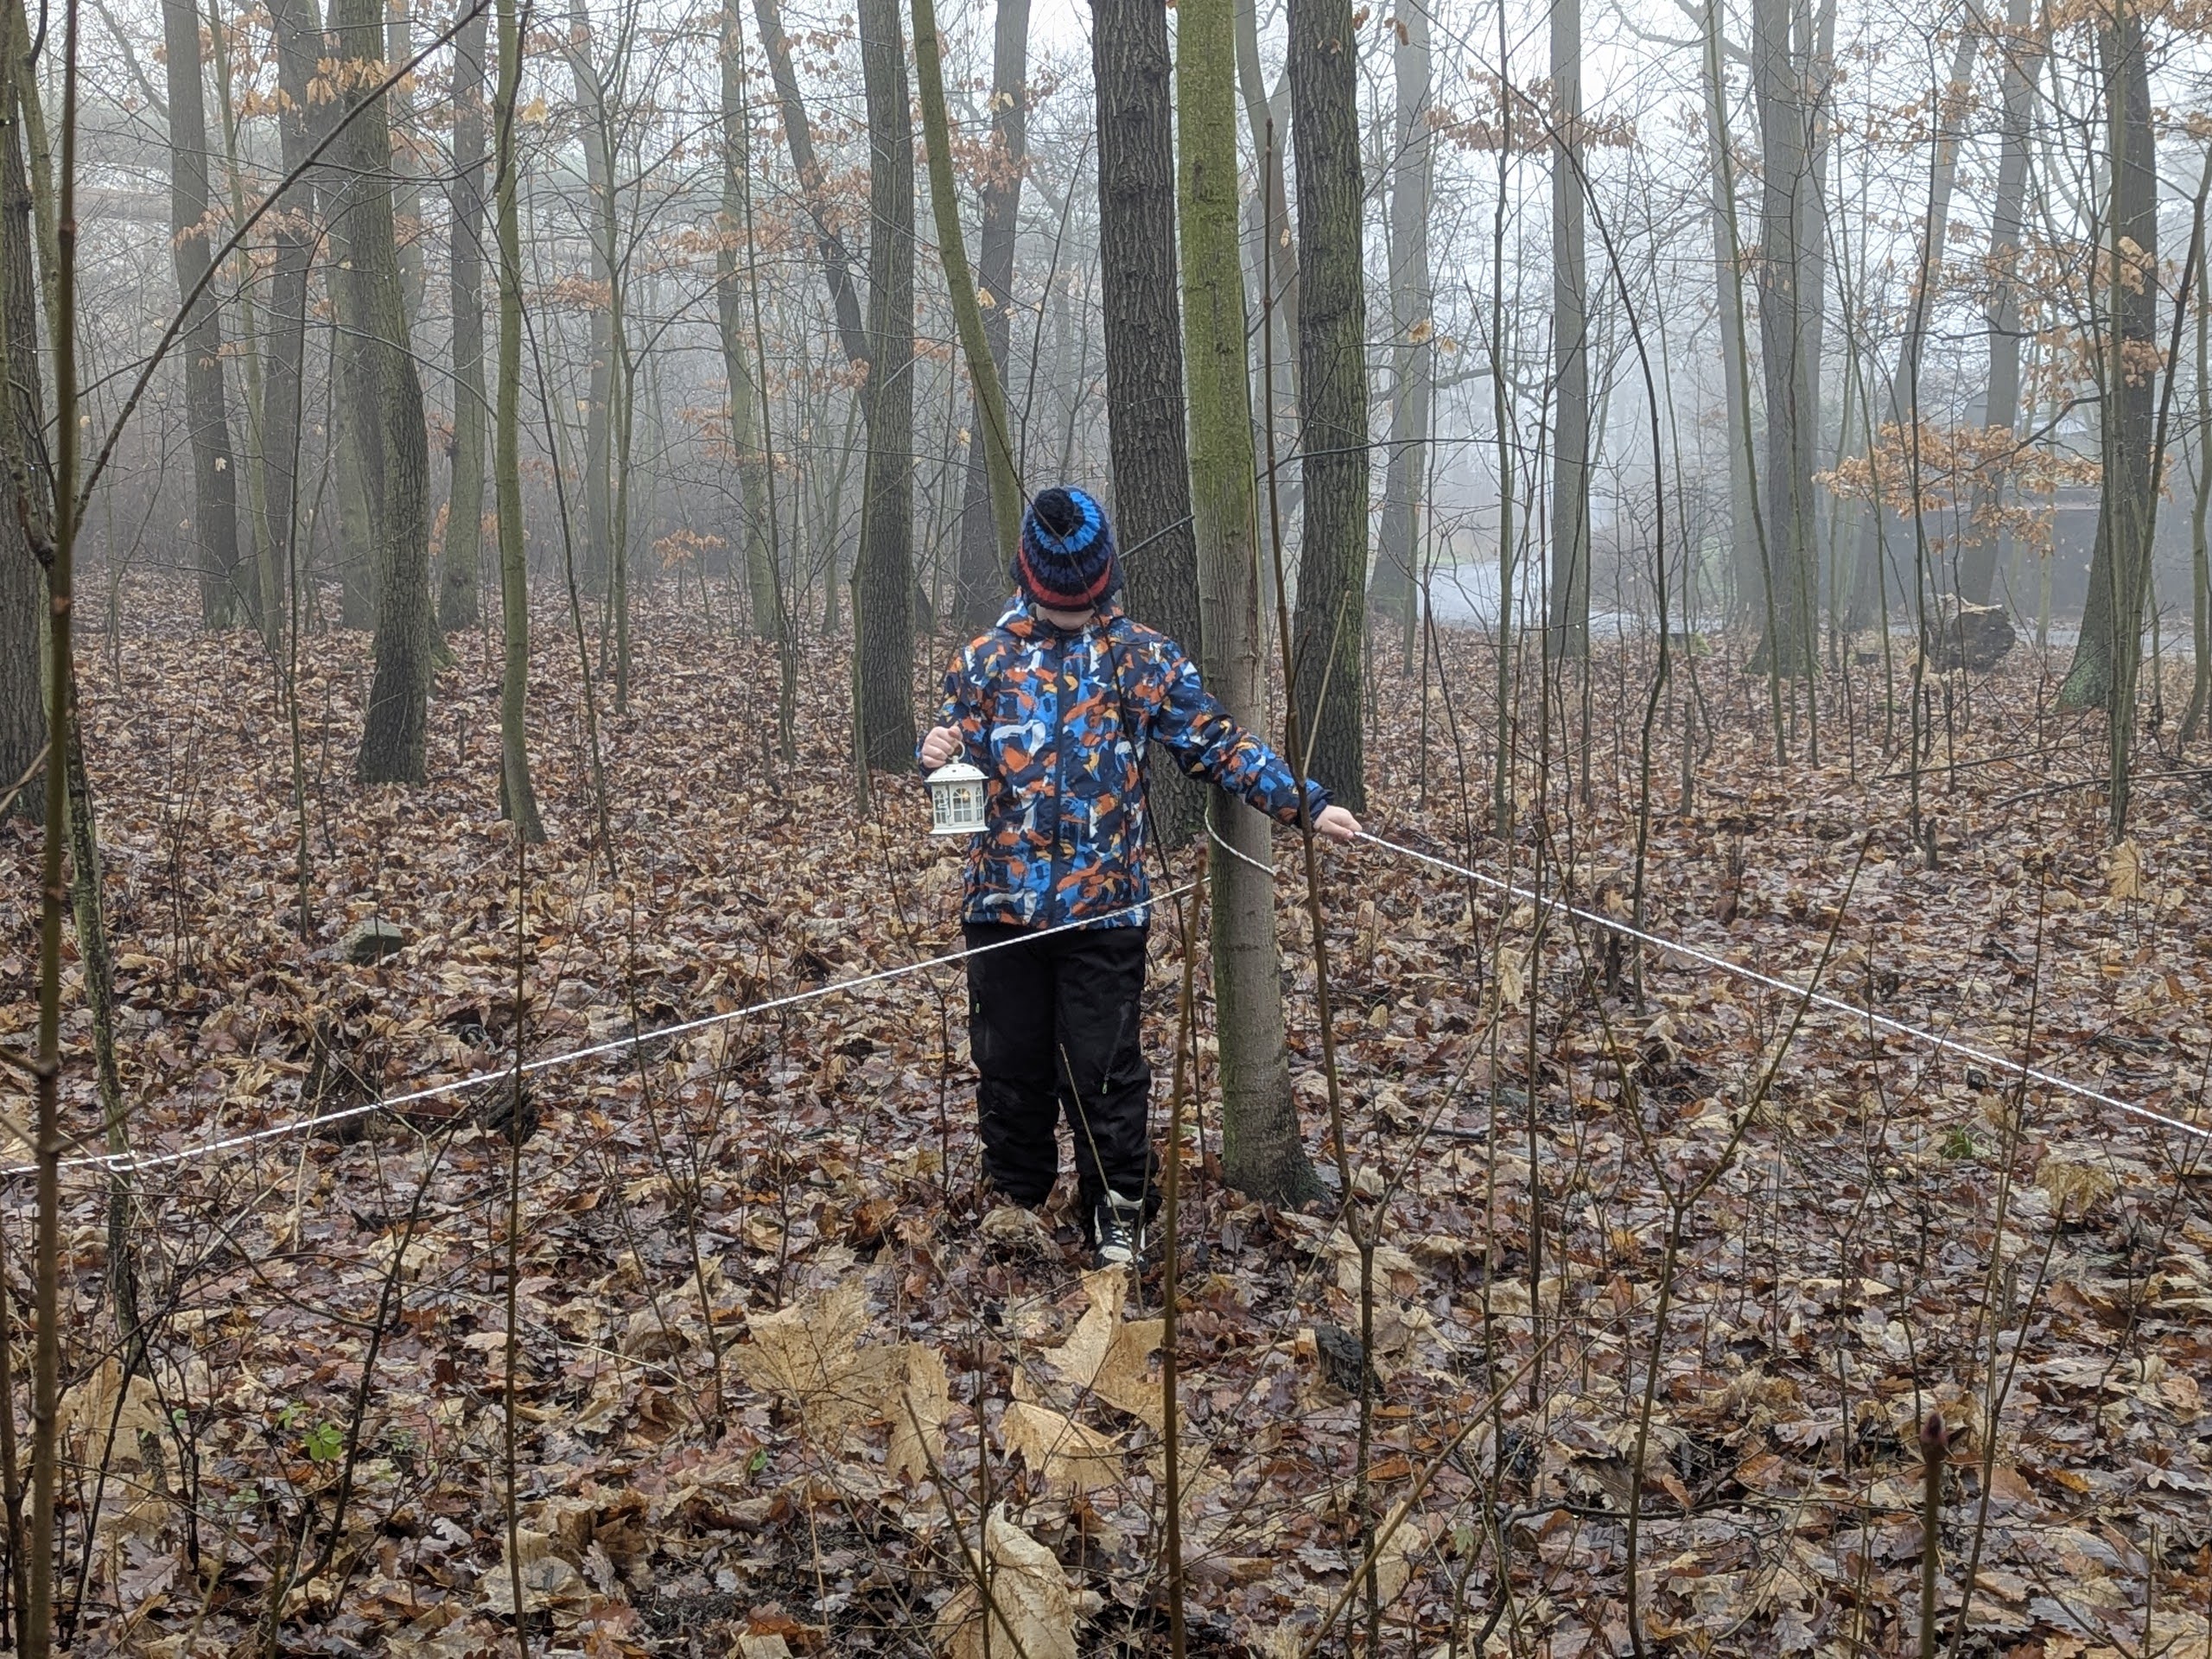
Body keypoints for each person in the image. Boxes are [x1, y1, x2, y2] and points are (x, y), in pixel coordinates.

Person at [919, 486, 1360, 1268]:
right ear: (1029, 581)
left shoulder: (1143, 657)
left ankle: (1120, 1212)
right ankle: (1017, 1204)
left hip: (1106, 914)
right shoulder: (983, 660)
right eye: (1055, 605)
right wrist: (934, 755)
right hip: (1001, 909)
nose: (1068, 618)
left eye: (1080, 605)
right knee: (1009, 1065)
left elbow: (1216, 742)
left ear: (1104, 583)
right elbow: (956, 763)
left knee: (1105, 1073)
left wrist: (1304, 802)